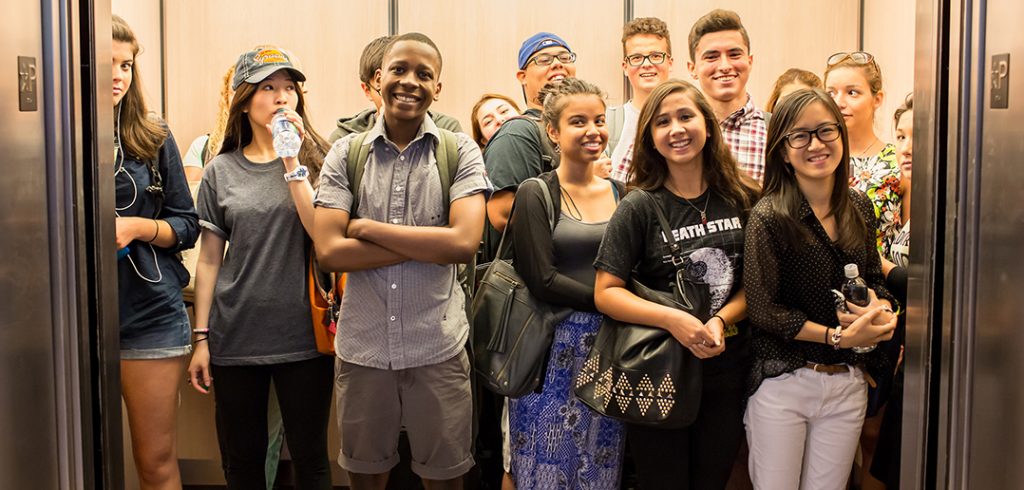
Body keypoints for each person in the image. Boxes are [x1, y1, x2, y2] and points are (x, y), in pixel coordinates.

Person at [312, 32, 489, 490]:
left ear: (438, 88)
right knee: (366, 476)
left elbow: (465, 243)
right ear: (378, 78)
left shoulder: (459, 151)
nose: (410, 81)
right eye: (399, 70)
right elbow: (329, 250)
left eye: (424, 74)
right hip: (363, 348)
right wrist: (432, 242)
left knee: (445, 479)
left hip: (438, 347)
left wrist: (366, 229)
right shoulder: (345, 153)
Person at [593, 79, 759, 489]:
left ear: (707, 123)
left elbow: (754, 285)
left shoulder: (742, 197)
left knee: (712, 481)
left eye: (686, 116)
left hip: (728, 368)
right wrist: (674, 320)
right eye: (662, 122)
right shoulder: (639, 204)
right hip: (659, 370)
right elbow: (606, 292)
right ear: (650, 136)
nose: (676, 129)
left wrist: (720, 321)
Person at [187, 45, 334, 489]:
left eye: (289, 87)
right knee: (242, 463)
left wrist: (292, 162)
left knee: (311, 459)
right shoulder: (221, 170)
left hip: (305, 336)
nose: (281, 96)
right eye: (268, 87)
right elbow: (210, 260)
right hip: (237, 333)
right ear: (245, 99)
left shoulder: (319, 161)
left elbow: (321, 234)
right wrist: (201, 339)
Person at [742, 88, 899, 490]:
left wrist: (878, 310)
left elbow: (875, 278)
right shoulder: (769, 216)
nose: (816, 144)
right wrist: (839, 336)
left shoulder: (859, 206)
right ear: (782, 150)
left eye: (826, 131)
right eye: (800, 135)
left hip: (847, 384)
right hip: (785, 383)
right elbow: (765, 310)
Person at [505, 78, 626, 488]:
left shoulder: (622, 193)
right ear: (553, 131)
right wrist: (611, 300)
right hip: (549, 348)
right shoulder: (536, 191)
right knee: (544, 468)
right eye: (578, 121)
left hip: (610, 348)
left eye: (598, 119)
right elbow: (542, 279)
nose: (593, 130)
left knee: (599, 466)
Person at [112, 14, 199, 490]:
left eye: (126, 64)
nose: (118, 75)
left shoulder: (152, 134)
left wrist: (138, 227)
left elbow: (187, 226)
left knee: (155, 460)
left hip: (148, 316)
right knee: (78, 453)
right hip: (61, 327)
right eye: (106, 63)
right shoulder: (46, 138)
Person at [484, 31, 577, 235]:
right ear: (522, 76)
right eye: (544, 59)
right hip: (536, 263)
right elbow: (503, 214)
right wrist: (582, 192)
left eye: (564, 57)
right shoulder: (518, 132)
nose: (557, 64)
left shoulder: (584, 131)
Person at [870, 93, 914, 490]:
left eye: (919, 136)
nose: (907, 147)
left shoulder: (952, 203)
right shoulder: (901, 196)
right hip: (899, 344)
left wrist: (878, 264)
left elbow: (930, 282)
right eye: (900, 137)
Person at [824, 51, 902, 256]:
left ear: (877, 99)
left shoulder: (898, 162)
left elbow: (909, 244)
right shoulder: (815, 159)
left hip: (881, 281)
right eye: (831, 93)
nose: (839, 102)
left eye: (852, 92)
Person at [328, 35, 462, 144]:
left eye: (422, 75)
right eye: (398, 71)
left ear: (436, 90)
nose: (408, 84)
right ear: (368, 90)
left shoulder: (449, 134)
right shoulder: (344, 141)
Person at [687, 9, 769, 184]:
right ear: (692, 68)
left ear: (750, 61)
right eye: (711, 57)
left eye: (734, 54)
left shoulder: (775, 131)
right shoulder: (675, 131)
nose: (725, 66)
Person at [607, 16, 674, 183]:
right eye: (636, 58)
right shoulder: (607, 122)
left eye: (656, 56)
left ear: (670, 63)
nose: (647, 64)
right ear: (625, 67)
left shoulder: (688, 120)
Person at [181, 64, 234, 182]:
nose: (241, 98)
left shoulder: (282, 146)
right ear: (226, 98)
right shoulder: (203, 147)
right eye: (234, 91)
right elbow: (190, 198)